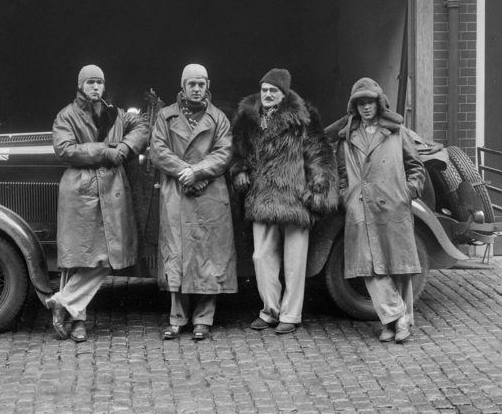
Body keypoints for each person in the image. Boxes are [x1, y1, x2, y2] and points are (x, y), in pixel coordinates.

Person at [230, 68, 338, 334]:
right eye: (264, 90)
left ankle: (291, 315)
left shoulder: (303, 118)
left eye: (273, 91)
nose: (267, 95)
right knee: (261, 256)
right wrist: (240, 170)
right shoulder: (247, 119)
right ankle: (270, 311)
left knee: (295, 260)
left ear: (284, 94)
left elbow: (319, 156)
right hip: (262, 198)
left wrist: (318, 190)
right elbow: (237, 153)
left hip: (295, 200)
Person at [46, 64, 149, 342]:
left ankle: (64, 301)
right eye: (90, 82)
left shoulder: (116, 114)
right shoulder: (66, 115)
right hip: (81, 191)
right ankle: (77, 321)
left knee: (105, 256)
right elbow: (65, 149)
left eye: (99, 83)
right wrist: (106, 151)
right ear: (80, 85)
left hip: (112, 190)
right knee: (78, 257)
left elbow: (141, 126)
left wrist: (125, 148)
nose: (95, 87)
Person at [332, 77, 426, 343]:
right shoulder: (348, 136)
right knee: (369, 267)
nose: (365, 108)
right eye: (360, 103)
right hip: (361, 206)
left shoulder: (397, 132)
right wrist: (346, 197)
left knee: (399, 267)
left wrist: (407, 193)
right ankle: (397, 317)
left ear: (379, 103)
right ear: (354, 107)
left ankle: (393, 323)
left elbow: (416, 167)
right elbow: (341, 173)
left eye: (369, 102)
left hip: (392, 205)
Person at [150, 64, 237, 340]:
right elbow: (158, 150)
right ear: (182, 85)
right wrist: (183, 171)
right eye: (192, 84)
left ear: (207, 84)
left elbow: (224, 153)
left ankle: (203, 319)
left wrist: (197, 171)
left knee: (207, 255)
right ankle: (177, 317)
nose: (197, 89)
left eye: (201, 84)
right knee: (176, 254)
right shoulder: (165, 117)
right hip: (176, 193)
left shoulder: (219, 118)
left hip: (209, 195)